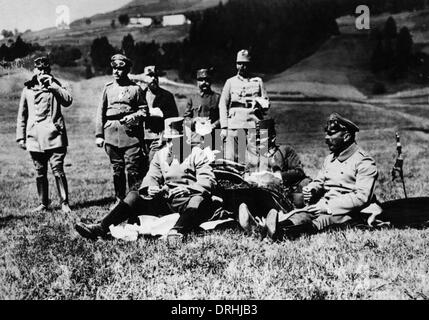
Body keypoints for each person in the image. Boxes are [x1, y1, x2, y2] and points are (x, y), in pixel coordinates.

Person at [75, 117, 216, 242]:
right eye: (169, 140)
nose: (171, 145)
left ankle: (177, 231)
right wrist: (151, 188)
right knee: (134, 195)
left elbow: (207, 181)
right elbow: (151, 177)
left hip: (188, 199)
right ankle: (101, 227)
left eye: (176, 140)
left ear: (184, 139)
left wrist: (187, 189)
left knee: (198, 200)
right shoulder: (161, 155)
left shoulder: (197, 154)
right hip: (166, 200)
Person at [264, 113, 383, 240]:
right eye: (326, 133)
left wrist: (328, 207)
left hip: (349, 211)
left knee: (320, 222)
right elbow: (320, 180)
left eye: (331, 134)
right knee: (300, 216)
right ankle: (267, 229)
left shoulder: (363, 161)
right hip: (322, 205)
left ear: (347, 136)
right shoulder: (330, 159)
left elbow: (361, 197)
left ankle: (278, 234)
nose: (326, 138)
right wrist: (311, 188)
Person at [16, 55, 73, 213]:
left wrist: (53, 86)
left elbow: (68, 101)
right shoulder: (27, 89)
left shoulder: (58, 85)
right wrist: (21, 137)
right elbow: (22, 115)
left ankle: (64, 202)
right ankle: (43, 203)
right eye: (39, 69)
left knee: (58, 170)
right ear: (34, 70)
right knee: (40, 172)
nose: (42, 72)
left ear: (49, 70)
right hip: (34, 137)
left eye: (45, 69)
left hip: (55, 135)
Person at [95, 54, 148, 201]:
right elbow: (100, 111)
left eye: (120, 69)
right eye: (114, 69)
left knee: (133, 170)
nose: (116, 72)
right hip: (111, 134)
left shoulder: (135, 89)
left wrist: (134, 116)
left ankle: (133, 202)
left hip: (131, 136)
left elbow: (144, 111)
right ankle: (119, 200)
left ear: (127, 70)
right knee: (117, 170)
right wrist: (99, 135)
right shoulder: (108, 89)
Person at [218, 49, 269, 162]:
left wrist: (261, 103)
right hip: (235, 124)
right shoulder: (230, 82)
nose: (242, 66)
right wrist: (224, 127)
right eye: (240, 63)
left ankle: (251, 179)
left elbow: (266, 103)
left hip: (253, 124)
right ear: (236, 65)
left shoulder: (258, 82)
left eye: (246, 64)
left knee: (254, 159)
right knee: (235, 158)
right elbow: (223, 104)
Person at [141, 65, 179, 165]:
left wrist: (164, 137)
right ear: (144, 78)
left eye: (156, 76)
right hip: (141, 139)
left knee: (154, 165)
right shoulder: (139, 95)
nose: (153, 78)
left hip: (158, 138)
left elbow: (174, 119)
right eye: (150, 76)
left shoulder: (167, 96)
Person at [184, 68, 220, 148]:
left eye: (207, 80)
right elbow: (186, 118)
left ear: (210, 81)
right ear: (197, 82)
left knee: (216, 159)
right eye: (201, 80)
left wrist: (214, 125)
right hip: (196, 138)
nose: (204, 82)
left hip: (214, 137)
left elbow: (224, 117)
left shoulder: (217, 97)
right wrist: (194, 121)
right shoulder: (192, 98)